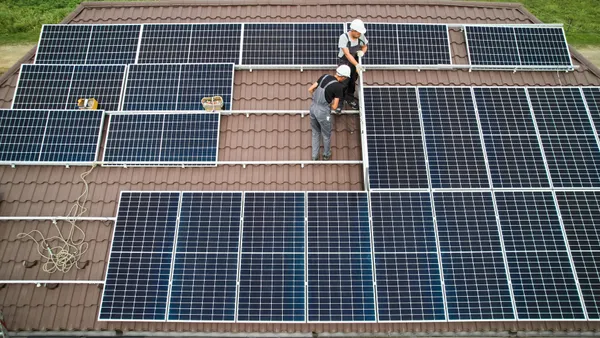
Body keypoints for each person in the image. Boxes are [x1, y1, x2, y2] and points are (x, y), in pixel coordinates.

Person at [308, 65, 351, 160]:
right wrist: (328, 104)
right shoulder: (338, 87)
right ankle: (326, 154)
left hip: (313, 107)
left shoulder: (324, 76)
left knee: (315, 132)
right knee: (326, 134)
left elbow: (310, 89)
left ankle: (314, 156)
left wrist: (316, 99)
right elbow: (335, 106)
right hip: (323, 111)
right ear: (343, 77)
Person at [337, 19, 368, 112]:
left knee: (352, 81)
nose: (359, 34)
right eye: (358, 33)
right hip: (345, 62)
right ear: (353, 30)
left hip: (355, 61)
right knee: (343, 82)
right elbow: (347, 54)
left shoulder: (361, 36)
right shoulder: (344, 37)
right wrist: (357, 65)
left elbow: (365, 46)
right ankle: (340, 102)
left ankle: (349, 98)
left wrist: (362, 52)